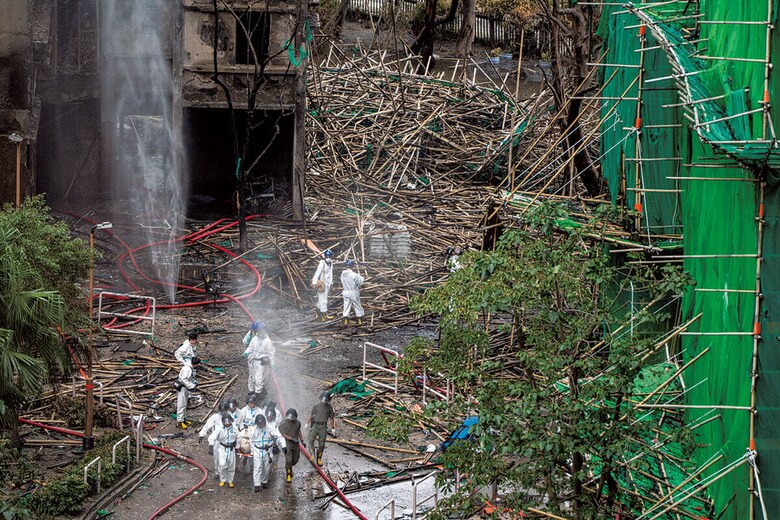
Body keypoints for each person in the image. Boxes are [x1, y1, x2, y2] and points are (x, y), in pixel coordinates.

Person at [249, 414, 284, 492]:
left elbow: (278, 436)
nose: (261, 425)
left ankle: (264, 481)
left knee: (266, 467)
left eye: (262, 423)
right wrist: (252, 452)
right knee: (257, 468)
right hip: (257, 450)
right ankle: (257, 485)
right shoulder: (253, 431)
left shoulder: (270, 429)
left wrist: (283, 445)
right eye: (259, 424)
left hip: (268, 450)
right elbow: (251, 441)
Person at [242, 320, 275, 399]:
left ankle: (258, 395)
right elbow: (250, 347)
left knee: (258, 379)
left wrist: (272, 363)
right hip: (254, 360)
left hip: (261, 362)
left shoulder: (267, 341)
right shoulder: (254, 339)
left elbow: (271, 353)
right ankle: (252, 391)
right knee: (252, 377)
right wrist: (246, 352)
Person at [208, 413, 238, 488]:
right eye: (226, 422)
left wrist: (237, 446)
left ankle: (230, 480)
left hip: (231, 449)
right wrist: (211, 445)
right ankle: (223, 479)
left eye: (229, 422)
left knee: (231, 464)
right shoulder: (219, 429)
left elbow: (239, 437)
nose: (227, 424)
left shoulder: (234, 429)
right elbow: (212, 437)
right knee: (222, 464)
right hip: (222, 448)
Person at [307, 391, 335, 466]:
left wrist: (333, 428)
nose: (324, 401)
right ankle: (312, 455)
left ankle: (319, 458)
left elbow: (331, 418)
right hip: (315, 425)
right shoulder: (316, 406)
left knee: (322, 444)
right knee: (310, 439)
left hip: (323, 426)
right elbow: (311, 414)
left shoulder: (329, 408)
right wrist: (307, 423)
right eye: (323, 399)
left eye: (326, 399)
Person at [175, 356, 201, 429]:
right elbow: (184, 379)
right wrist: (191, 386)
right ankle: (179, 422)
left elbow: (190, 378)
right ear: (195, 364)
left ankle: (184, 419)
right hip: (182, 387)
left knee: (185, 403)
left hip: (186, 388)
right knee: (181, 404)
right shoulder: (187, 369)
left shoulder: (190, 368)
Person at [278, 408, 303, 483]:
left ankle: (289, 466)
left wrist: (302, 440)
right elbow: (283, 434)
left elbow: (299, 431)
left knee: (295, 459)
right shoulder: (283, 424)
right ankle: (288, 474)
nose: (291, 419)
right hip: (287, 443)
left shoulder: (298, 423)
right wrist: (291, 438)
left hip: (295, 443)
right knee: (289, 459)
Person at [311, 249, 334, 320]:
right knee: (323, 300)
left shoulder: (331, 263)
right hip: (322, 285)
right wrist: (314, 283)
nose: (329, 258)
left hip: (328, 284)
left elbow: (331, 274)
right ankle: (324, 316)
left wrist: (331, 283)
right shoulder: (322, 263)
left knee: (321, 300)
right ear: (325, 256)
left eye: (330, 256)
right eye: (328, 256)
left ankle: (318, 314)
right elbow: (317, 273)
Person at [340, 259, 365, 325]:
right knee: (357, 305)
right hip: (353, 292)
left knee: (346, 305)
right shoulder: (354, 275)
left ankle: (345, 320)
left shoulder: (342, 274)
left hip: (345, 292)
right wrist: (361, 278)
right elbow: (359, 282)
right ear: (352, 266)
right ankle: (359, 320)